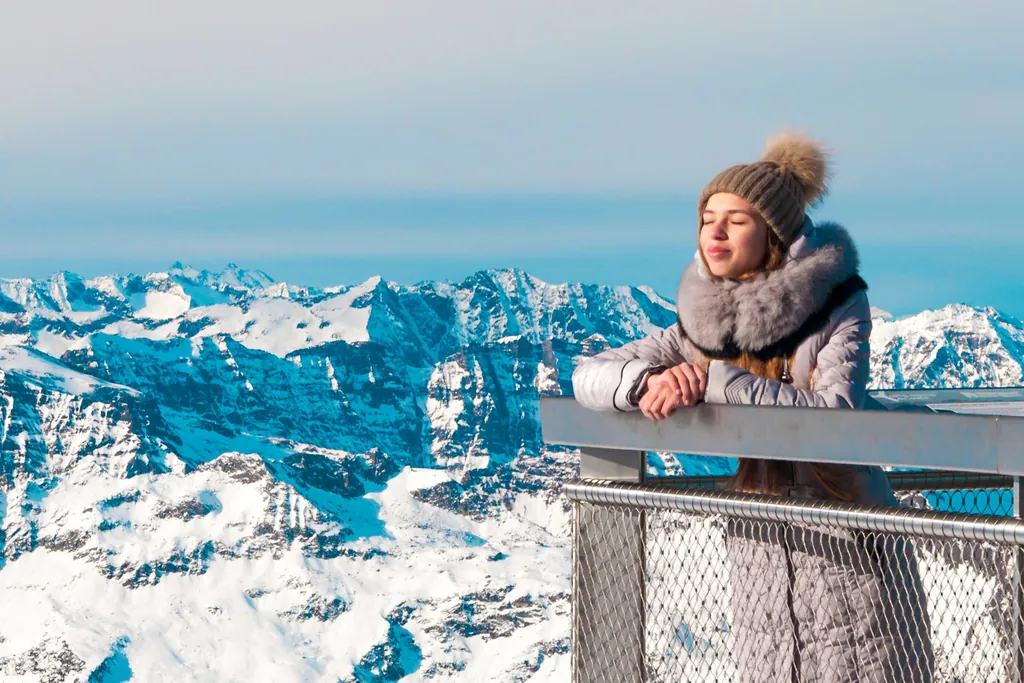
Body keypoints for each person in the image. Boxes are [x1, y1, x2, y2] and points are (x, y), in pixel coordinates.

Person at [572, 132, 934, 682]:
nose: (713, 232)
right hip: (761, 551)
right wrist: (648, 382)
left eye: (735, 220)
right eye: (706, 217)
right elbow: (587, 376)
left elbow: (836, 415)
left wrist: (719, 380)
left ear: (773, 232)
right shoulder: (703, 323)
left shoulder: (837, 304)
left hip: (849, 551)